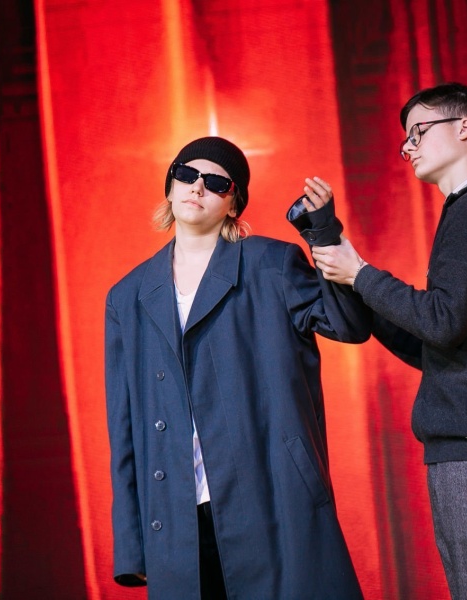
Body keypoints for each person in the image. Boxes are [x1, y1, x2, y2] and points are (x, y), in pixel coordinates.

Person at [291, 83, 467, 599]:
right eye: (405, 140)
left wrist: (361, 274)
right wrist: (338, 253)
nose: (408, 147)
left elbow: (441, 320)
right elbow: (432, 344)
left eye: (419, 132)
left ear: (465, 127)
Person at [104, 136, 369, 599]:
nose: (197, 187)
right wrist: (132, 545)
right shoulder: (127, 296)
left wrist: (323, 232)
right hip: (177, 519)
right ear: (170, 186)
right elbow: (123, 427)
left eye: (216, 182)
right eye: (186, 174)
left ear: (233, 204)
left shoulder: (272, 264)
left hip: (272, 502)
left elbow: (349, 325)